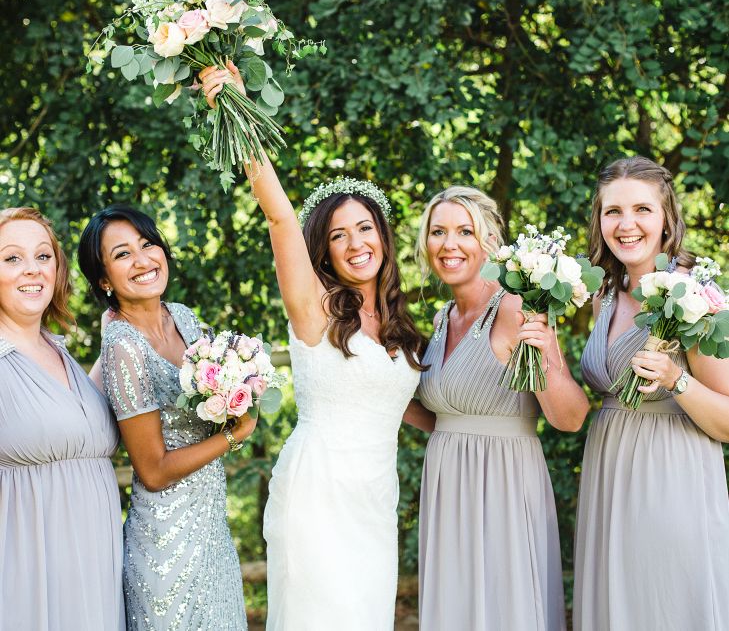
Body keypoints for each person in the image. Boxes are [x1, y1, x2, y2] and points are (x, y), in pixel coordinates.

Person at [201, 63, 425, 631]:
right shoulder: (315, 310)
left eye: (366, 228)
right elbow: (278, 215)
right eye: (338, 234)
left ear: (383, 236)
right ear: (322, 249)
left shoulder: (402, 327)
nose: (356, 243)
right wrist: (238, 109)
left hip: (375, 498)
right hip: (317, 493)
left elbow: (415, 410)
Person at [413, 186, 589, 631]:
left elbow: (570, 418)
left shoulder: (515, 308)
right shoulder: (440, 320)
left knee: (505, 608)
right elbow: (441, 420)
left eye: (464, 232)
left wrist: (545, 351)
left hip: (505, 486)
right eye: (438, 232)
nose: (448, 244)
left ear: (490, 242)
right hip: (447, 486)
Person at [78, 205, 255, 631]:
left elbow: (215, 396)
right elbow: (153, 471)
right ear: (104, 280)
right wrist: (234, 436)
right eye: (122, 255)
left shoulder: (184, 318)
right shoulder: (123, 347)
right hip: (165, 541)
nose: (142, 260)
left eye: (146, 244)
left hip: (212, 530)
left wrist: (240, 391)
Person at [573, 156, 729, 630]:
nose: (626, 224)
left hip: (670, 478)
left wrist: (674, 378)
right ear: (599, 222)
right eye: (612, 211)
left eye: (642, 209)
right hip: (607, 473)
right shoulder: (602, 295)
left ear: (666, 220)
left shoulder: (695, 296)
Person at [0, 207, 124, 631]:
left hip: (96, 565)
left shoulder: (59, 351)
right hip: (29, 572)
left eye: (43, 256)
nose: (31, 270)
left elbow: (76, 421)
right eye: (11, 258)